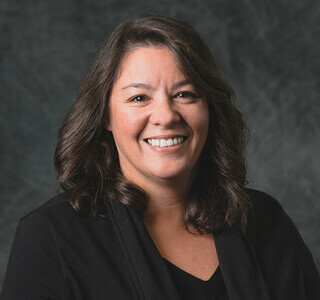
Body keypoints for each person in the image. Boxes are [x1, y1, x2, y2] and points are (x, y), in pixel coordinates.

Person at [1, 15, 319, 300]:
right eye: (139, 97)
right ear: (105, 117)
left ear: (209, 108)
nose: (166, 116)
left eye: (185, 94)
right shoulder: (51, 236)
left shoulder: (266, 221)